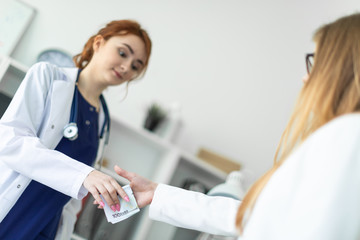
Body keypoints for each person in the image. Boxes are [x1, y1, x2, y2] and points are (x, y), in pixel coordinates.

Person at [111, 13, 360, 240]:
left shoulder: (347, 135)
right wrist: (158, 193)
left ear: (342, 69)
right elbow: (257, 216)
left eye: (315, 62)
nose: (305, 77)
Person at [0, 19, 152, 240]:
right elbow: (10, 142)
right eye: (122, 53)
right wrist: (85, 175)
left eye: (136, 66)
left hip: (45, 229)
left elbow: (72, 200)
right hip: (12, 213)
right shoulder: (48, 76)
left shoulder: (102, 120)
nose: (127, 67)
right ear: (99, 43)